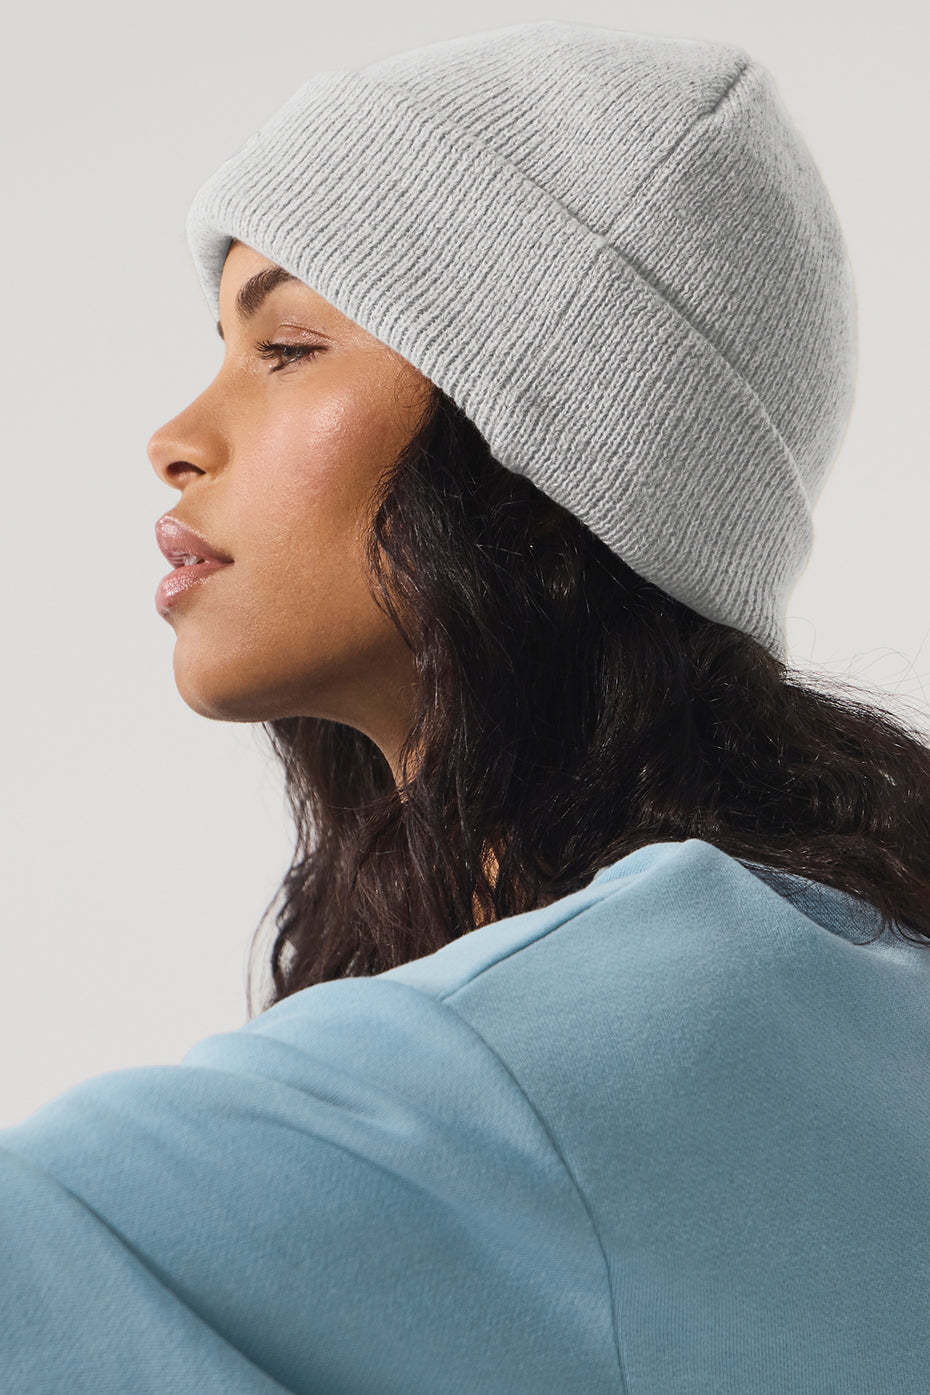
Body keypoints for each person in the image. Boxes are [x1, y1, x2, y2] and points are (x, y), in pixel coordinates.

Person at [4, 20, 930, 1392]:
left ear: (543, 468)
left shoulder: (597, 1042)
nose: (177, 439)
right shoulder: (830, 986)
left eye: (289, 346)